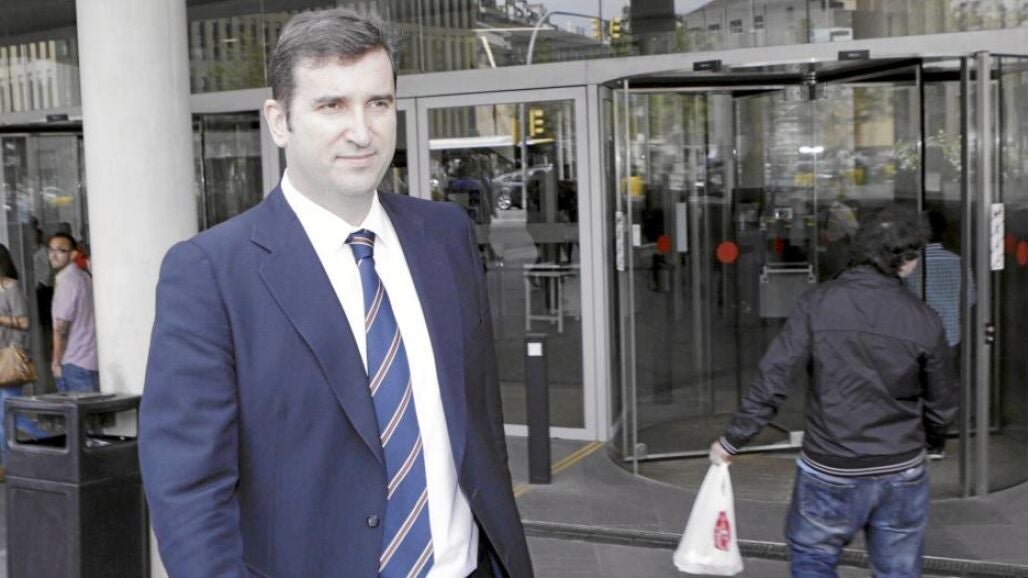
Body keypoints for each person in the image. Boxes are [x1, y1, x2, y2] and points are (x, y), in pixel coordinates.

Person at [139, 9, 532, 578]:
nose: (362, 131)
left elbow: (480, 425)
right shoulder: (210, 273)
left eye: (378, 103)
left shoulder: (445, 235)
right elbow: (188, 494)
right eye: (332, 106)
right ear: (279, 121)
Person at [710, 207, 958, 577]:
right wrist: (932, 442)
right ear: (905, 262)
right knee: (898, 570)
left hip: (830, 466)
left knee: (813, 559)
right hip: (901, 467)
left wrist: (733, 440)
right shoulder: (924, 319)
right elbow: (941, 403)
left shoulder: (818, 303)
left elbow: (774, 376)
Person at [48, 233, 98, 392]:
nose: (53, 255)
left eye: (61, 250)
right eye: (51, 249)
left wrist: (56, 362)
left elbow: (61, 328)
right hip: (90, 359)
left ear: (73, 254)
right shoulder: (84, 277)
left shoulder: (67, 282)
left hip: (74, 361)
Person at [0, 243, 31, 476]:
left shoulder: (12, 287)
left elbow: (24, 323)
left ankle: (52, 440)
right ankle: (6, 464)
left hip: (9, 356)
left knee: (10, 415)